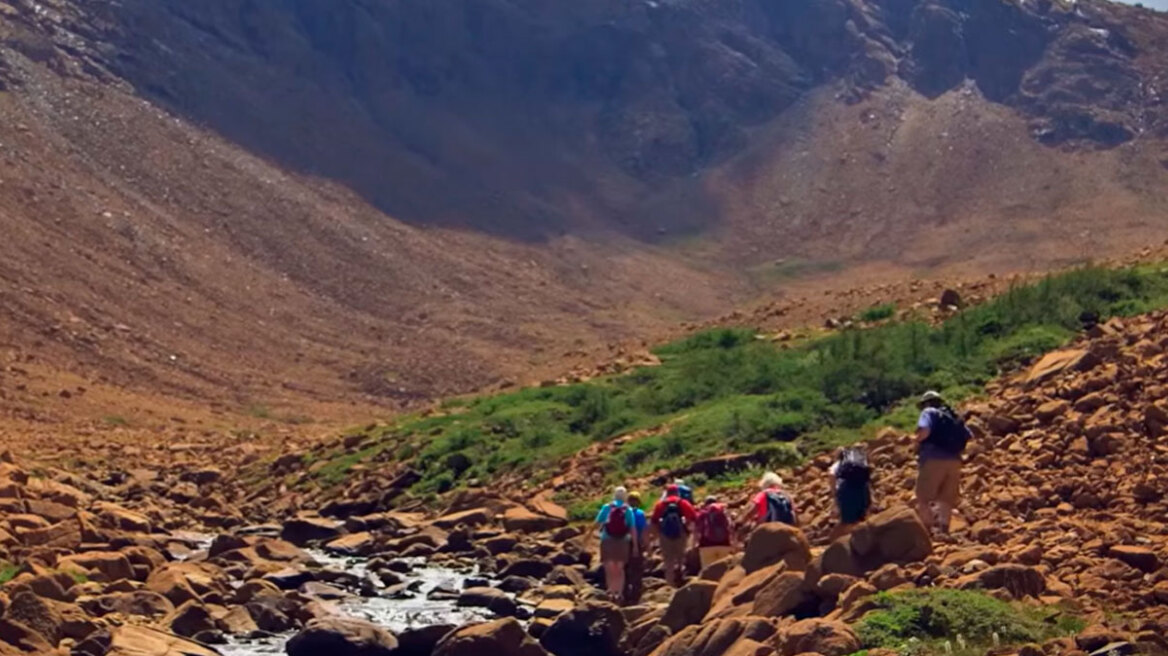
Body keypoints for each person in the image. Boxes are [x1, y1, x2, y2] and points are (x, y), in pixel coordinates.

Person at [914, 390, 972, 535]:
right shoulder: (953, 415)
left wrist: (916, 443)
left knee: (923, 498)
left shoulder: (929, 412)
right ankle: (944, 530)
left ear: (926, 403)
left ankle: (927, 532)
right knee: (946, 498)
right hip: (954, 460)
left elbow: (925, 431)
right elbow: (969, 435)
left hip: (934, 458)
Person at [595, 486, 638, 603]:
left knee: (609, 567)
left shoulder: (607, 507)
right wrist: (635, 546)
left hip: (607, 540)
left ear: (614, 495)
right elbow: (632, 529)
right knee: (620, 568)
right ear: (625, 497)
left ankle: (610, 591)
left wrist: (587, 538)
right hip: (622, 541)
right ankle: (618, 593)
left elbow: (597, 523)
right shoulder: (628, 510)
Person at [651, 483, 697, 587]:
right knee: (680, 557)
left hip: (665, 535)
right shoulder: (683, 503)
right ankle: (680, 576)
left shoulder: (660, 505)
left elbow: (653, 521)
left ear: (667, 493)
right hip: (681, 534)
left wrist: (657, 535)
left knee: (668, 561)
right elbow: (693, 518)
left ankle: (669, 585)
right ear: (677, 492)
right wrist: (689, 531)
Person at [829, 446, 872, 539]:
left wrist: (835, 494)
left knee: (848, 521)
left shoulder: (838, 464)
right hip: (862, 488)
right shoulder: (857, 462)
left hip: (846, 491)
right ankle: (867, 538)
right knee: (862, 516)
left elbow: (831, 476)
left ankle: (850, 540)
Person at [694, 495, 735, 570]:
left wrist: (695, 543)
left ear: (705, 504)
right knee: (723, 569)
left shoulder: (702, 514)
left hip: (706, 545)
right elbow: (731, 527)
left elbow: (696, 530)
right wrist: (733, 542)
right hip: (724, 544)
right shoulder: (723, 512)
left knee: (707, 570)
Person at [624, 491, 648, 604]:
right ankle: (635, 595)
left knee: (624, 568)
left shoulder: (622, 512)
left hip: (621, 544)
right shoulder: (639, 513)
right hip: (635, 543)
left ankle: (624, 593)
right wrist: (646, 545)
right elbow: (643, 531)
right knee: (637, 568)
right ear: (638, 502)